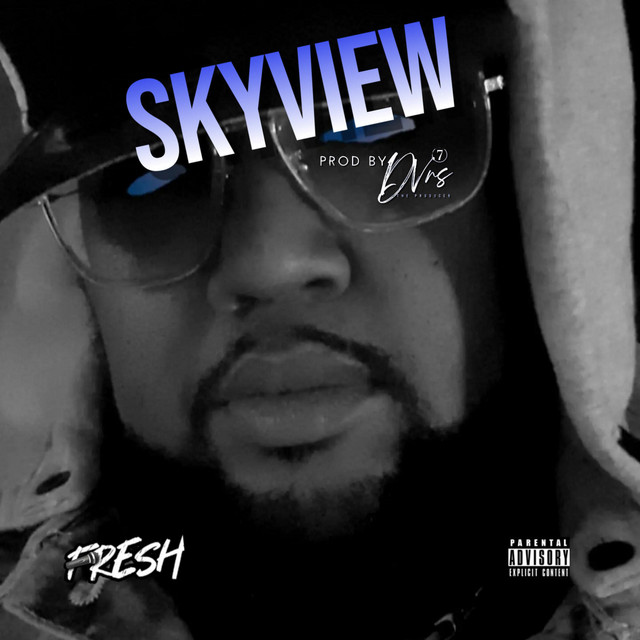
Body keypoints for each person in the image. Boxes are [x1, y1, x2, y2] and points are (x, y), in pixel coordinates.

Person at [0, 2, 638, 639]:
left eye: (372, 127)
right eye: (154, 167)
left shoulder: (536, 560)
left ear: (536, 192)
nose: (267, 262)